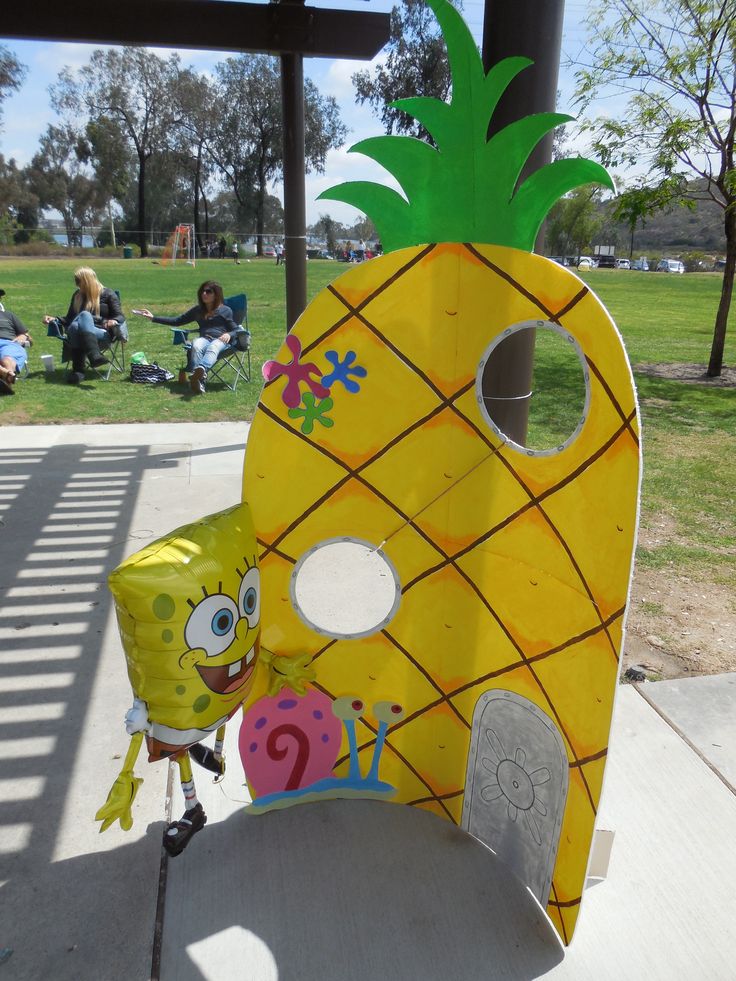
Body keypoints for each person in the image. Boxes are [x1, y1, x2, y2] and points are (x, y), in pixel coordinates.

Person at [135, 281, 238, 395]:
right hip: (204, 339)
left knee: (213, 347)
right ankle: (198, 379)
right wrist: (153, 318)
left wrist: (229, 335)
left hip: (220, 340)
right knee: (196, 344)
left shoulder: (225, 310)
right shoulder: (198, 310)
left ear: (216, 294)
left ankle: (200, 374)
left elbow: (236, 329)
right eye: (202, 291)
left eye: (208, 291)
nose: (204, 294)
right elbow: (177, 321)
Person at [42, 267, 126, 385]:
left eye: (78, 281)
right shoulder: (77, 295)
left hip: (100, 331)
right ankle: (94, 355)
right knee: (81, 319)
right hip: (86, 337)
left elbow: (120, 316)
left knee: (78, 325)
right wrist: (55, 319)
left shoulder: (108, 294)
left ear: (87, 281)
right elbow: (69, 318)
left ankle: (78, 371)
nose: (77, 285)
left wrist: (114, 321)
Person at [0, 289, 32, 395]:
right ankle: (7, 376)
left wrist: (24, 336)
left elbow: (30, 340)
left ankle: (6, 377)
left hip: (9, 343)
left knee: (7, 359)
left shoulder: (9, 315)